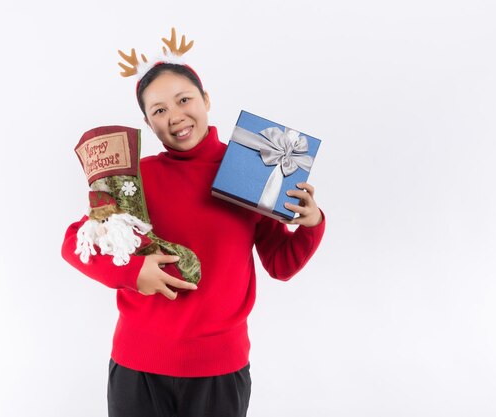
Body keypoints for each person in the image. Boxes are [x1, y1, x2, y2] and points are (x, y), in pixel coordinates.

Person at [61, 29, 325, 417]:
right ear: (149, 124)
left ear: (205, 99)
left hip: (220, 370)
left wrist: (311, 223)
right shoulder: (136, 178)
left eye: (184, 100)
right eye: (159, 110)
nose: (176, 116)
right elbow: (74, 243)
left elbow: (281, 265)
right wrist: (135, 273)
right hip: (138, 369)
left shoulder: (252, 168)